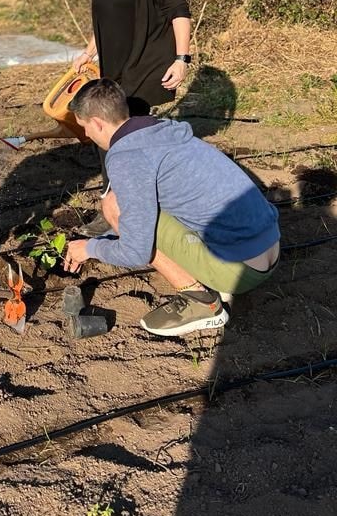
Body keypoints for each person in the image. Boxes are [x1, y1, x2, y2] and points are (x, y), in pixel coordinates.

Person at [63, 79, 280, 337]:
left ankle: (202, 303)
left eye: (85, 126)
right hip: (270, 246)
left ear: (97, 122)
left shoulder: (126, 157)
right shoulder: (161, 130)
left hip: (240, 270)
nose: (86, 135)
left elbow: (136, 252)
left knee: (114, 206)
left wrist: (89, 248)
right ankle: (212, 272)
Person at [72, 0, 192, 235]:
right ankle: (117, 204)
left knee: (124, 136)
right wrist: (89, 51)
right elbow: (104, 14)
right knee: (105, 136)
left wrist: (182, 59)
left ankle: (125, 212)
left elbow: (179, 12)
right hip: (113, 64)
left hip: (147, 62)